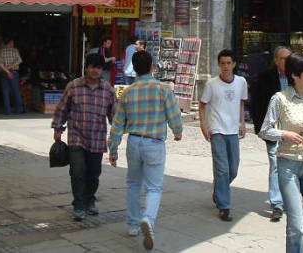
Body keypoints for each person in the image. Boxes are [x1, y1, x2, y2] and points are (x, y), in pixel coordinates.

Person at [108, 50, 182, 251]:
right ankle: (148, 219)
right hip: (154, 143)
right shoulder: (162, 89)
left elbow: (117, 123)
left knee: (133, 184)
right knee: (154, 187)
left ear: (135, 68)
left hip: (134, 141)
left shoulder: (128, 92)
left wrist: (112, 149)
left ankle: (133, 225)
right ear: (152, 67)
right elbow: (174, 115)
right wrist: (177, 132)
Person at [259, 53, 303, 253]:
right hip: (288, 163)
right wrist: (285, 134)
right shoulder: (279, 99)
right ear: (295, 75)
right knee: (296, 225)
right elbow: (265, 130)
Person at [52, 53, 116, 221]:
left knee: (94, 173)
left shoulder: (108, 89)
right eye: (93, 66)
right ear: (86, 67)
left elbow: (114, 115)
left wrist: (120, 130)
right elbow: (62, 109)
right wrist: (58, 128)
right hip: (76, 137)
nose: (96, 70)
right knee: (78, 171)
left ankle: (89, 200)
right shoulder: (73, 86)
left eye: (99, 67)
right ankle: (79, 204)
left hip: (97, 138)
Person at [199, 49, 248, 222]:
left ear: (234, 64)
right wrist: (204, 126)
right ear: (218, 65)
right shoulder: (212, 84)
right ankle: (224, 206)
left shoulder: (241, 82)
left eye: (229, 63)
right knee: (222, 169)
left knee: (233, 168)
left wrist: (242, 122)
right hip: (217, 129)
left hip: (233, 129)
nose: (226, 67)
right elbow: (202, 105)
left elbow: (241, 103)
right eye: (222, 63)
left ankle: (219, 191)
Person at [249, 45, 291, 222]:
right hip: (273, 129)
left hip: (292, 129)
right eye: (283, 58)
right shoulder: (265, 78)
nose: (287, 62)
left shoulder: (296, 76)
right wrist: (260, 127)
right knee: (275, 164)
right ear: (275, 60)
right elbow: (256, 103)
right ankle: (277, 204)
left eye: (289, 58)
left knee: (291, 165)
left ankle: (290, 199)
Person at [0, 37, 24, 115]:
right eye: (12, 42)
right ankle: (19, 110)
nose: (13, 44)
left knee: (5, 91)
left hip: (4, 73)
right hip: (14, 72)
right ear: (10, 42)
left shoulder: (1, 51)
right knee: (16, 91)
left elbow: (0, 64)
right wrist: (10, 69)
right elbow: (19, 61)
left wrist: (7, 70)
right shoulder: (15, 50)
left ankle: (7, 110)